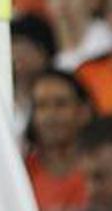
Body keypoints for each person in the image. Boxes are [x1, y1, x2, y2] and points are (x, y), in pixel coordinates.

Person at [24, 70, 92, 210]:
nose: (50, 115)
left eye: (60, 104)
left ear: (83, 111)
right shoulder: (21, 173)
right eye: (41, 106)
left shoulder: (103, 169)